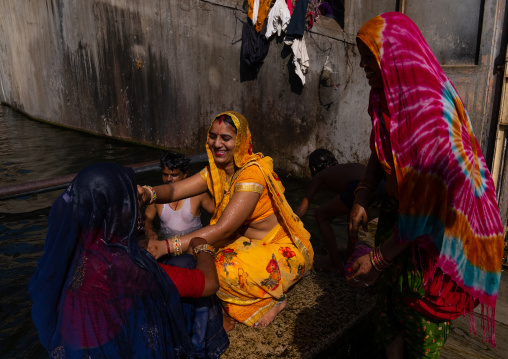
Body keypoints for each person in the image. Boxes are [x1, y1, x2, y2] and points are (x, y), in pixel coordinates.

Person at [347, 12, 504, 358]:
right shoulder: (386, 96)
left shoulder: (431, 114)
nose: (363, 66)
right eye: (362, 58)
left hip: (434, 234)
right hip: (399, 219)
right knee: (388, 309)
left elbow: (424, 211)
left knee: (422, 318)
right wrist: (363, 194)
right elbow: (382, 146)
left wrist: (377, 258)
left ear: (395, 55)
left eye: (369, 57)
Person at [29, 163, 229, 358]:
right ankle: (203, 344)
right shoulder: (124, 264)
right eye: (128, 201)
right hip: (109, 348)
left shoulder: (76, 245)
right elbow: (208, 284)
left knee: (178, 265)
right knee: (187, 264)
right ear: (115, 212)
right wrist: (201, 246)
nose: (136, 204)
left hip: (77, 345)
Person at [139, 111, 314, 331]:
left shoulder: (251, 175)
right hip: (244, 244)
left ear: (240, 141)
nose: (216, 143)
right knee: (199, 259)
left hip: (280, 250)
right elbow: (175, 189)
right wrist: (147, 193)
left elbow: (222, 229)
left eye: (226, 138)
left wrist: (165, 246)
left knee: (219, 271)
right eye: (212, 136)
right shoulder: (217, 170)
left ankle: (273, 299)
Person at [295, 149, 379, 274]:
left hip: (359, 187)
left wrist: (288, 222)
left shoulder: (320, 176)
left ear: (313, 168)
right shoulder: (344, 168)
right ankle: (350, 254)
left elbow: (302, 208)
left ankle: (336, 265)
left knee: (320, 214)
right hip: (377, 186)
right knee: (351, 215)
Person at [144, 151, 214, 240]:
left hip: (192, 245)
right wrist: (148, 230)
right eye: (165, 174)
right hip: (165, 246)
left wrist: (207, 233)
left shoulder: (198, 194)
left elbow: (218, 215)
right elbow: (147, 218)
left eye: (174, 175)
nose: (168, 179)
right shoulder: (156, 196)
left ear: (185, 174)